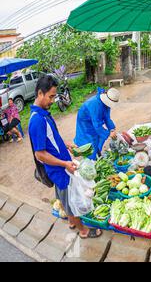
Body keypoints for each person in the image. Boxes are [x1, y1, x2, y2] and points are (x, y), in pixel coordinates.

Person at [29, 76, 101, 239]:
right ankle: (82, 230)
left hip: (61, 166)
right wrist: (64, 163)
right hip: (59, 169)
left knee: (64, 196)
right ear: (40, 93)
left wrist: (66, 144)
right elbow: (40, 154)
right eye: (51, 96)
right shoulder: (37, 121)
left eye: (54, 96)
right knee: (70, 201)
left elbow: (52, 138)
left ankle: (71, 222)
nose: (53, 101)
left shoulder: (44, 115)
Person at [74, 88, 119, 159]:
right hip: (85, 124)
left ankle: (97, 154)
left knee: (99, 138)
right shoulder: (94, 104)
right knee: (90, 143)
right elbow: (97, 125)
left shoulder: (106, 104)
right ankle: (91, 160)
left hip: (94, 122)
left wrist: (112, 129)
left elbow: (107, 118)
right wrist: (109, 133)